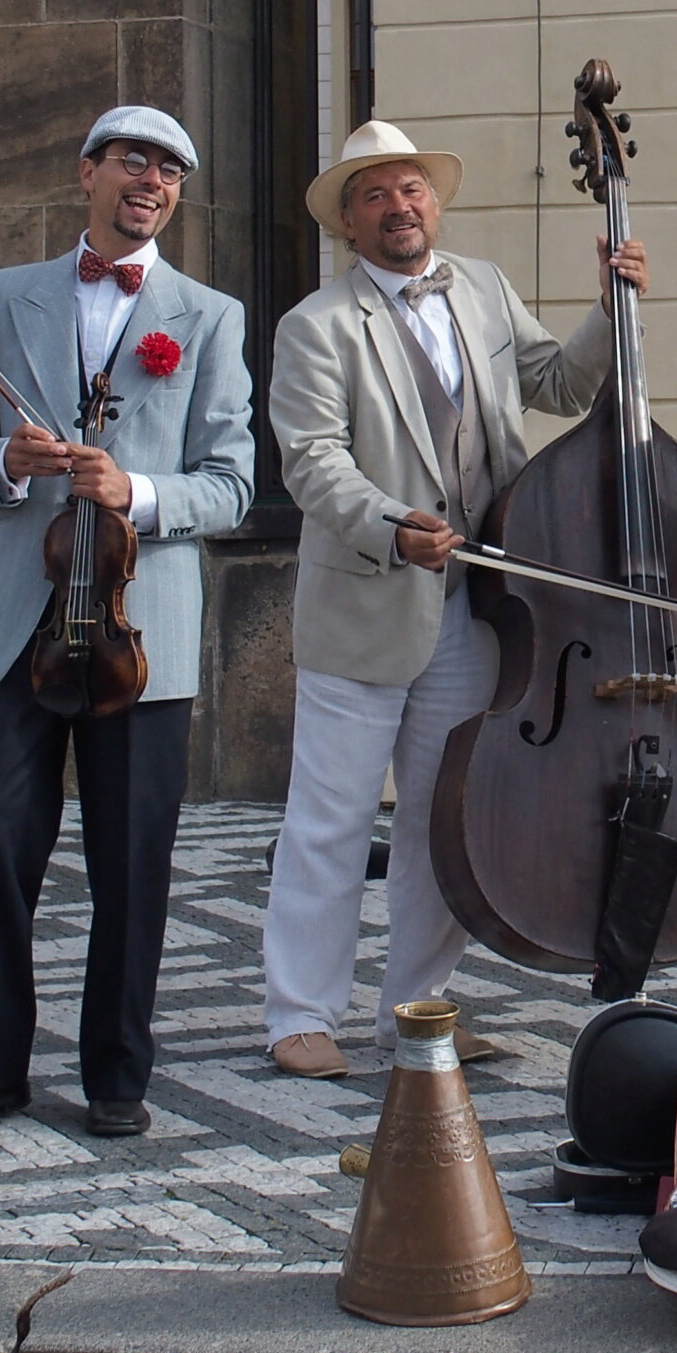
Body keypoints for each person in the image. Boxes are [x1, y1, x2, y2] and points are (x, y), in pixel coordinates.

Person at [259, 119, 648, 1078]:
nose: (401, 207)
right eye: (377, 194)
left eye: (412, 189)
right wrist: (391, 523)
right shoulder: (315, 327)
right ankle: (300, 1015)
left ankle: (414, 1011)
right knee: (331, 822)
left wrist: (612, 306)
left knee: (446, 816)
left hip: (482, 610)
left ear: (434, 202)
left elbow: (559, 385)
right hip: (367, 605)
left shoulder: (479, 288)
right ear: (350, 222)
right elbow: (312, 464)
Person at [0, 105, 255, 1140]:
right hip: (21, 616)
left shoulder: (207, 315)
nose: (146, 179)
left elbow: (232, 485)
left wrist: (139, 493)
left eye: (166, 169)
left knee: (130, 855)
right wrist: (6, 464)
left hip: (133, 626)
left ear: (176, 196)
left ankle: (117, 1075)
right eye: (129, 161)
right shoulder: (4, 294)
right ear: (88, 175)